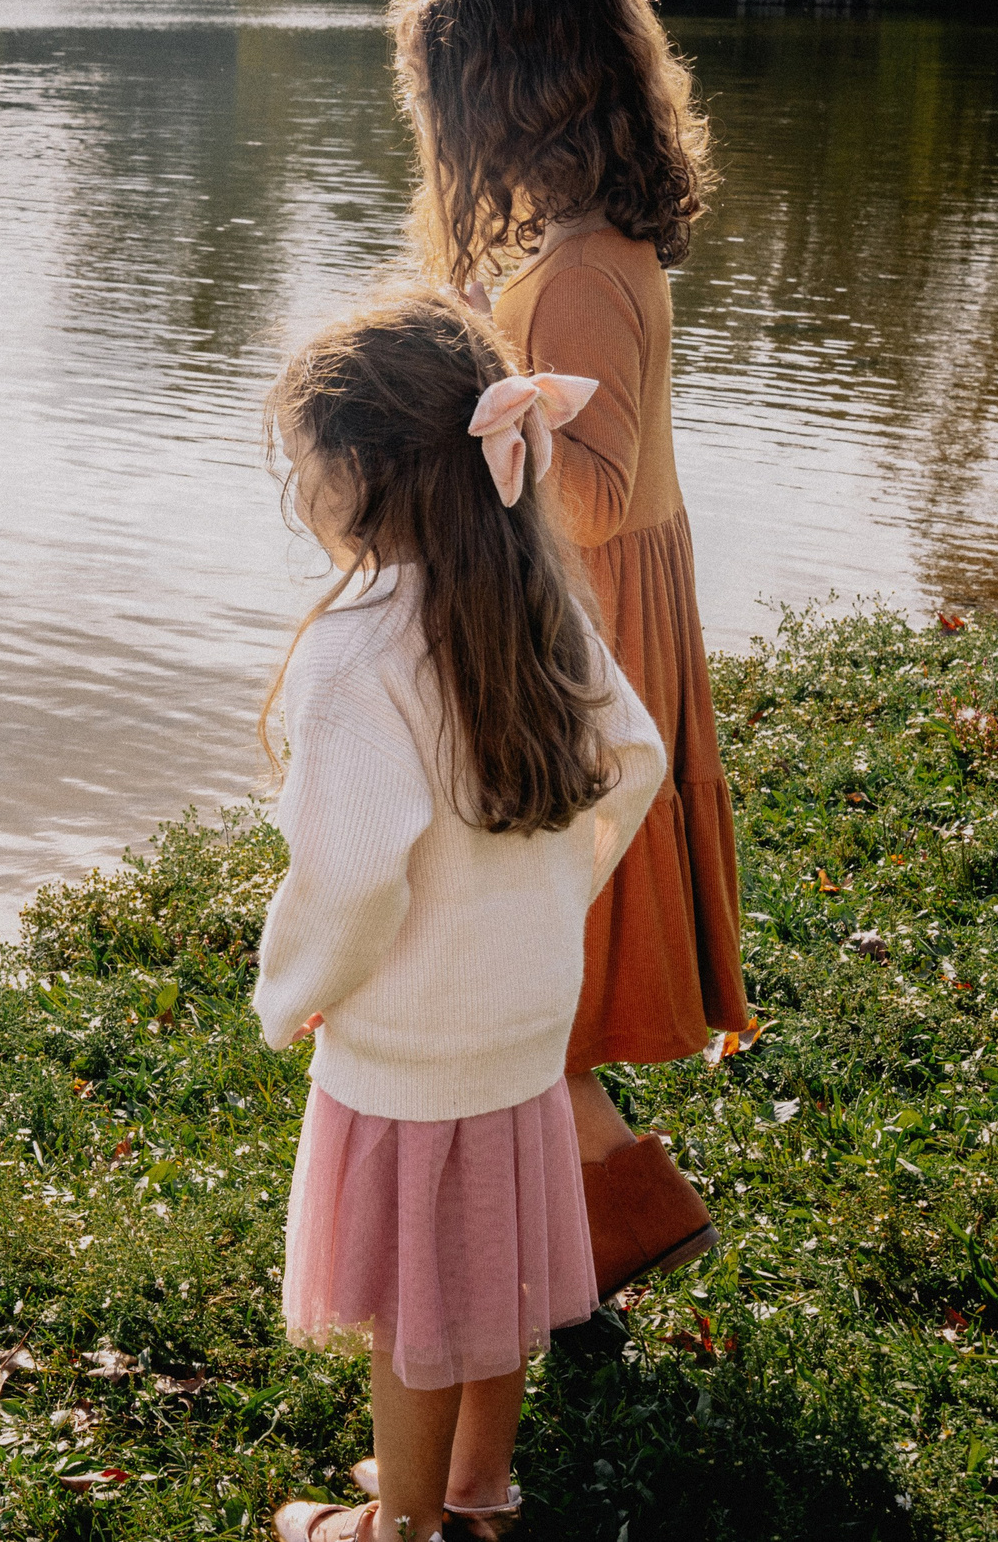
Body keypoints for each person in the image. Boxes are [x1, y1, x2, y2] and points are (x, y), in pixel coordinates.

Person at [253, 288, 666, 1542]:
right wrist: (553, 900)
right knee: (500, 1274)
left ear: (362, 475)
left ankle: (401, 1530)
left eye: (302, 466)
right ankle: (480, 1489)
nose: (299, 490)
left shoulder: (356, 657)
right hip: (521, 1023)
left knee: (416, 1313)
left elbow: (349, 880)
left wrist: (292, 994)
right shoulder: (536, 601)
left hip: (409, 1051)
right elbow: (634, 760)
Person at [389, 0, 746, 1300]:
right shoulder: (593, 254)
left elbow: (584, 492)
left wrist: (484, 392)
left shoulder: (585, 277)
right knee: (536, 959)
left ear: (509, 102)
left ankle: (627, 1213)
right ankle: (585, 1232)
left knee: (530, 961)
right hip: (604, 628)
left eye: (443, 104)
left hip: (588, 641)